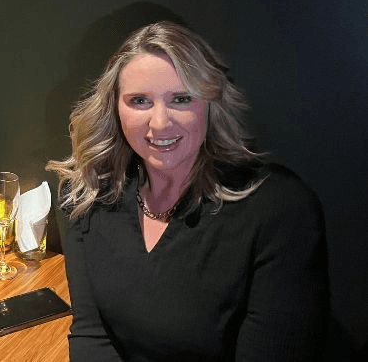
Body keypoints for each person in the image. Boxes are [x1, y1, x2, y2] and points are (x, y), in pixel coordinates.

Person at [47, 22, 329, 361]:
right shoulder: (88, 192)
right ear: (114, 107)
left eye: (181, 99)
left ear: (210, 103)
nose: (160, 122)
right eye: (139, 101)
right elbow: (92, 333)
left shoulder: (280, 210)